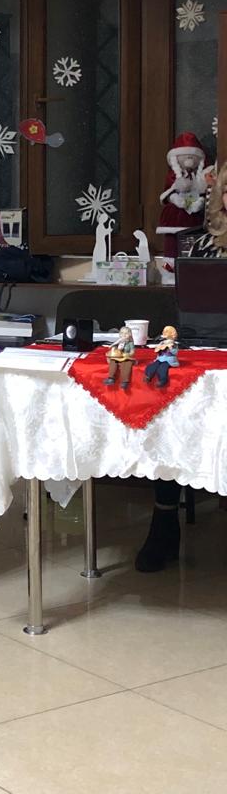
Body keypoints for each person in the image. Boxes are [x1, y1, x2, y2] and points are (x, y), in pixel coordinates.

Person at [136, 161, 227, 572]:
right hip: (204, 346)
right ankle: (164, 522)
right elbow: (190, 305)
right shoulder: (199, 244)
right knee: (171, 407)